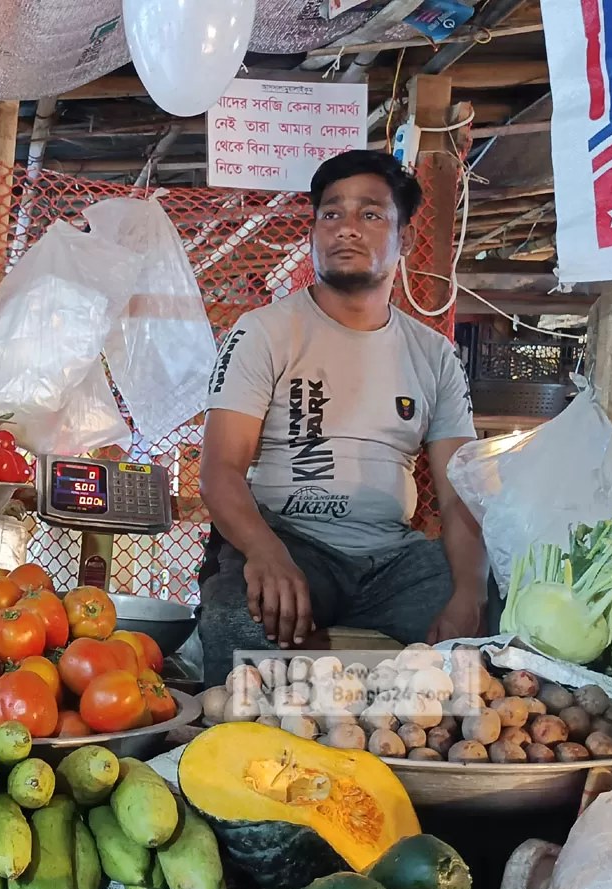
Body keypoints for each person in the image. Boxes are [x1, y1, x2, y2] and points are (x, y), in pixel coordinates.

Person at [195, 149, 487, 684]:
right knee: (237, 618)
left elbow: (460, 492)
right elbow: (220, 470)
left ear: (404, 238)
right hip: (290, 539)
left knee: (494, 625)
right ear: (314, 232)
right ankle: (230, 760)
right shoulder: (264, 330)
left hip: (396, 560)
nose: (346, 228)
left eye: (370, 214)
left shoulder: (435, 353)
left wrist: (469, 591)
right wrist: (266, 551)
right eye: (331, 213)